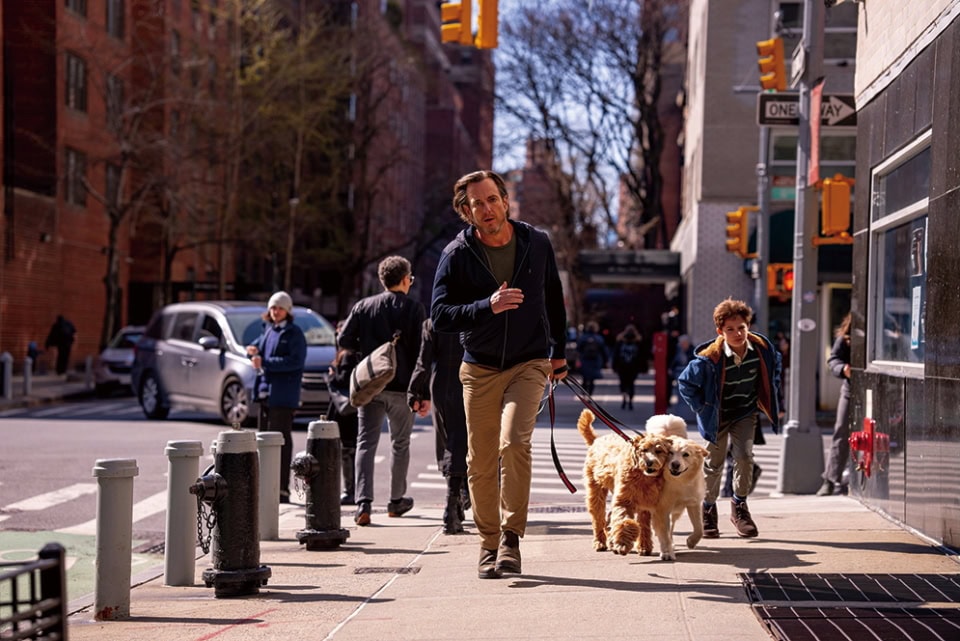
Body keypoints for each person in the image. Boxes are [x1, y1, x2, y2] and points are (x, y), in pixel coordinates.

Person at [431, 169, 568, 579]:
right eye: (477, 203)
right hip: (480, 367)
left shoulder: (536, 243)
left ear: (506, 201)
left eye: (493, 199)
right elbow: (439, 316)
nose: (487, 208)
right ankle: (487, 543)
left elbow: (555, 300)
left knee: (514, 443)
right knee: (481, 459)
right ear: (465, 211)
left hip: (529, 362)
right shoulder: (456, 255)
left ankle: (511, 536)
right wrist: (485, 306)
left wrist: (558, 353)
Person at [677, 298, 781, 539]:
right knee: (713, 463)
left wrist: (773, 398)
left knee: (744, 458)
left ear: (748, 327)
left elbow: (775, 369)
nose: (737, 333)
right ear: (720, 332)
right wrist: (702, 408)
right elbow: (685, 384)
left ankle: (740, 508)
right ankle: (708, 510)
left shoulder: (762, 350)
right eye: (730, 329)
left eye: (741, 328)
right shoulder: (709, 359)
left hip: (745, 412)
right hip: (717, 416)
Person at [338, 256, 425, 526]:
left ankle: (363, 503)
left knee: (366, 443)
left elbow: (344, 340)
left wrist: (366, 352)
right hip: (403, 388)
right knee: (400, 444)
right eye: (410, 277)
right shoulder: (414, 309)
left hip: (371, 386)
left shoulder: (364, 306)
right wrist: (421, 391)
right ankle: (396, 500)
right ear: (403, 280)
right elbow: (422, 351)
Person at [408, 318, 471, 534]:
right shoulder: (477, 312)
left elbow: (423, 362)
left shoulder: (434, 321)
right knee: (464, 442)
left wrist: (416, 391)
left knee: (450, 442)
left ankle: (455, 504)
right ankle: (454, 505)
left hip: (442, 382)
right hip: (472, 379)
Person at [247, 291, 307, 504]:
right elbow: (256, 349)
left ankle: (281, 489)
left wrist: (265, 362)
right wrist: (252, 351)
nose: (275, 311)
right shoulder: (268, 330)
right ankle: (265, 486)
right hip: (265, 394)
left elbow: (295, 362)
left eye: (280, 308)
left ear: (288, 311)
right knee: (263, 441)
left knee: (280, 442)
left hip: (283, 396)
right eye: (272, 308)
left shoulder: (294, 333)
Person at [818, 312, 852, 496]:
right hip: (850, 391)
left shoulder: (884, 329)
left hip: (879, 392)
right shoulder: (846, 338)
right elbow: (833, 360)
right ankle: (830, 480)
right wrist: (843, 369)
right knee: (841, 433)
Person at [327, 344, 360, 505]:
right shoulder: (355, 352)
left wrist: (332, 375)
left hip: (345, 411)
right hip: (350, 409)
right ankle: (352, 490)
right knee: (350, 449)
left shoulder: (347, 354)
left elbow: (344, 380)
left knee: (347, 449)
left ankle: (350, 491)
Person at [611, 324, 644, 410]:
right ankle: (630, 400)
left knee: (623, 383)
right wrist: (643, 367)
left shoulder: (620, 341)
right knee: (631, 383)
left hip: (622, 366)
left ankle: (624, 397)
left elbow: (616, 354)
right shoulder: (637, 342)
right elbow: (642, 355)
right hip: (633, 366)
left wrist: (614, 366)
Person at [575, 321, 607, 395]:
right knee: (592, 379)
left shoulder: (583, 337)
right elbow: (603, 350)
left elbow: (578, 349)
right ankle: (590, 394)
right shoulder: (599, 338)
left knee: (585, 377)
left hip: (585, 360)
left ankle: (584, 391)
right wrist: (606, 361)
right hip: (595, 360)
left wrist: (577, 359)